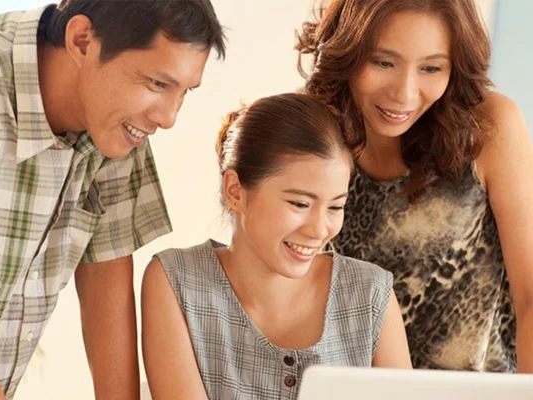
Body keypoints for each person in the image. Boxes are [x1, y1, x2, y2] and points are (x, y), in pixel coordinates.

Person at [0, 1, 225, 399]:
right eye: (158, 83)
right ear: (82, 40)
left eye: (183, 92)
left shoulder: (117, 121)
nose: (169, 117)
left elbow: (107, 271)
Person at [296, 0, 533, 372]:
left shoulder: (489, 127)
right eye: (383, 62)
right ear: (347, 49)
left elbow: (531, 296)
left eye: (431, 68)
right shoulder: (308, 128)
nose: (404, 94)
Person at [141, 93, 411, 400]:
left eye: (335, 207)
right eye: (299, 203)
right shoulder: (177, 281)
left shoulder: (371, 293)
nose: (320, 229)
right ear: (235, 191)